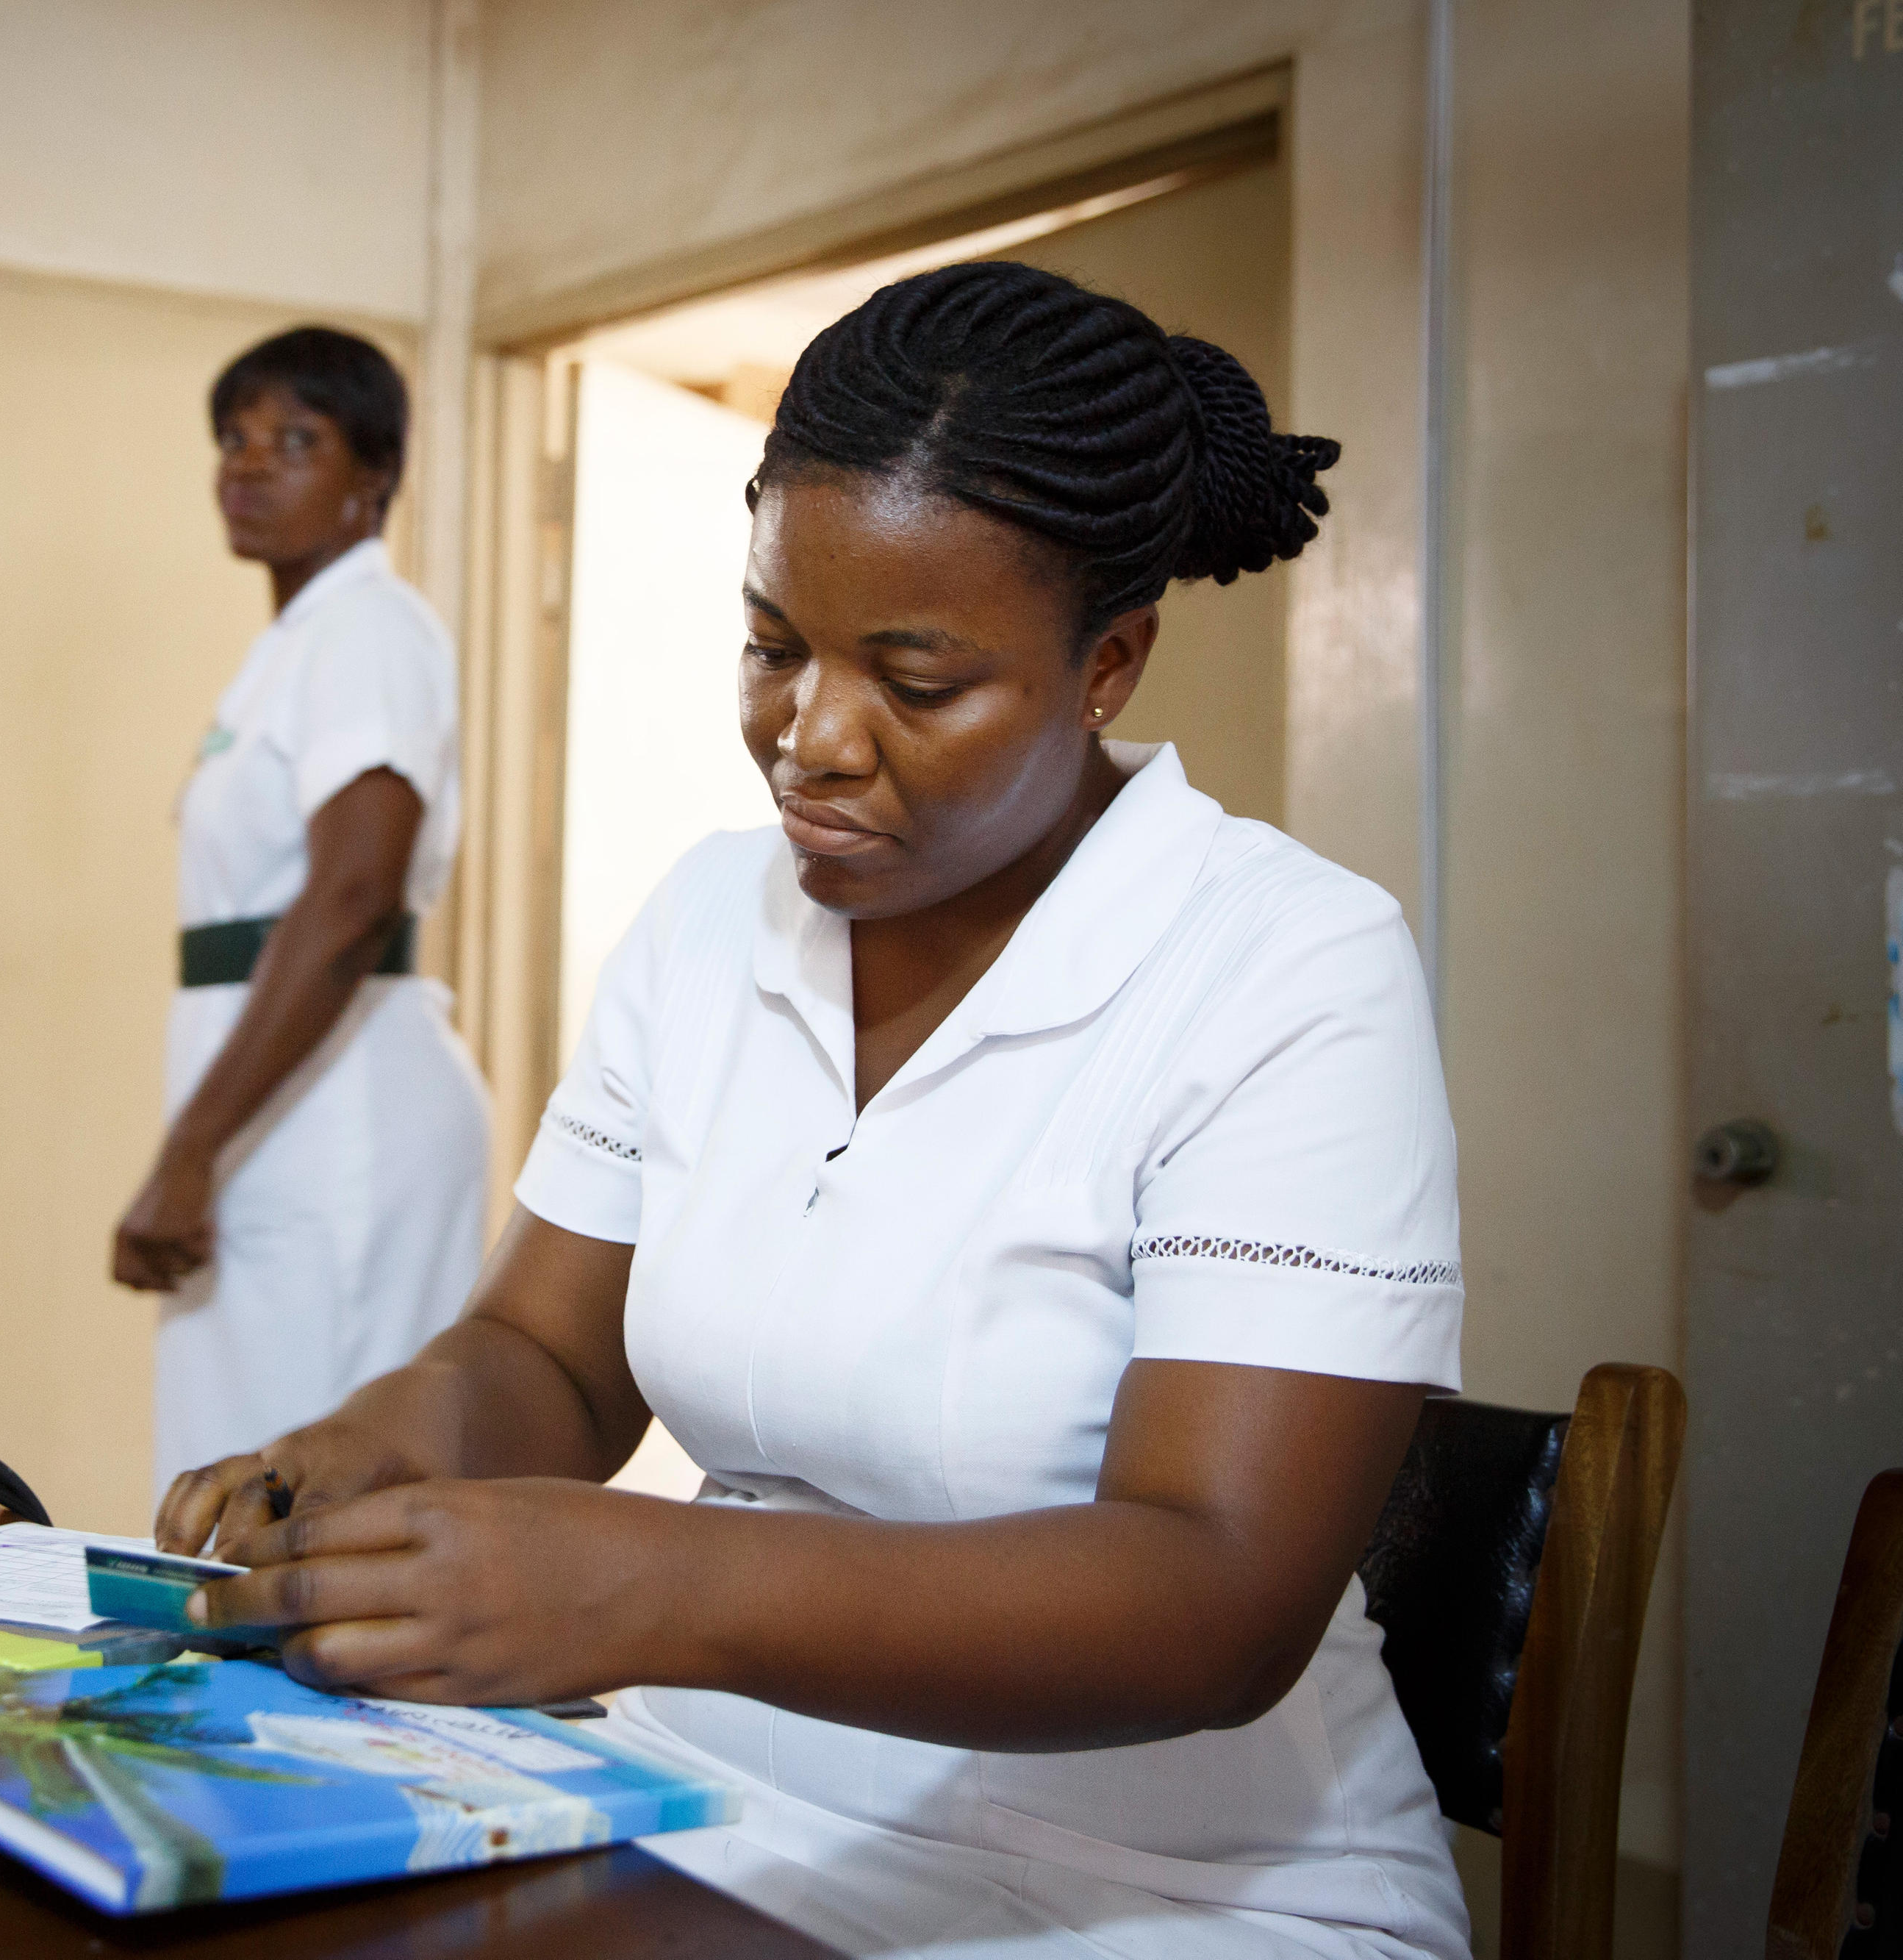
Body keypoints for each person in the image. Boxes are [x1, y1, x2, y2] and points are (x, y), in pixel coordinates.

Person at [154, 264, 1471, 1960]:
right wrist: (382, 1438)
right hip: (700, 1803)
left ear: (1107, 664)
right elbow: (548, 1359)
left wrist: (654, 1581)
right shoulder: (709, 919)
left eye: (913, 683)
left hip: (1161, 1885)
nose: (808, 740)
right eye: (771, 645)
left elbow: (1212, 1594)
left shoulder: (1284, 964)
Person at [113, 326, 491, 1494]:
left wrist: (191, 1148)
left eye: (295, 440)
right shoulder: (297, 645)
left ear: (371, 476)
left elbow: (349, 897)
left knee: (308, 1489)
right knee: (243, 1476)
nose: (248, 464)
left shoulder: (369, 630)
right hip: (289, 1107)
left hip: (340, 1119)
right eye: (232, 439)